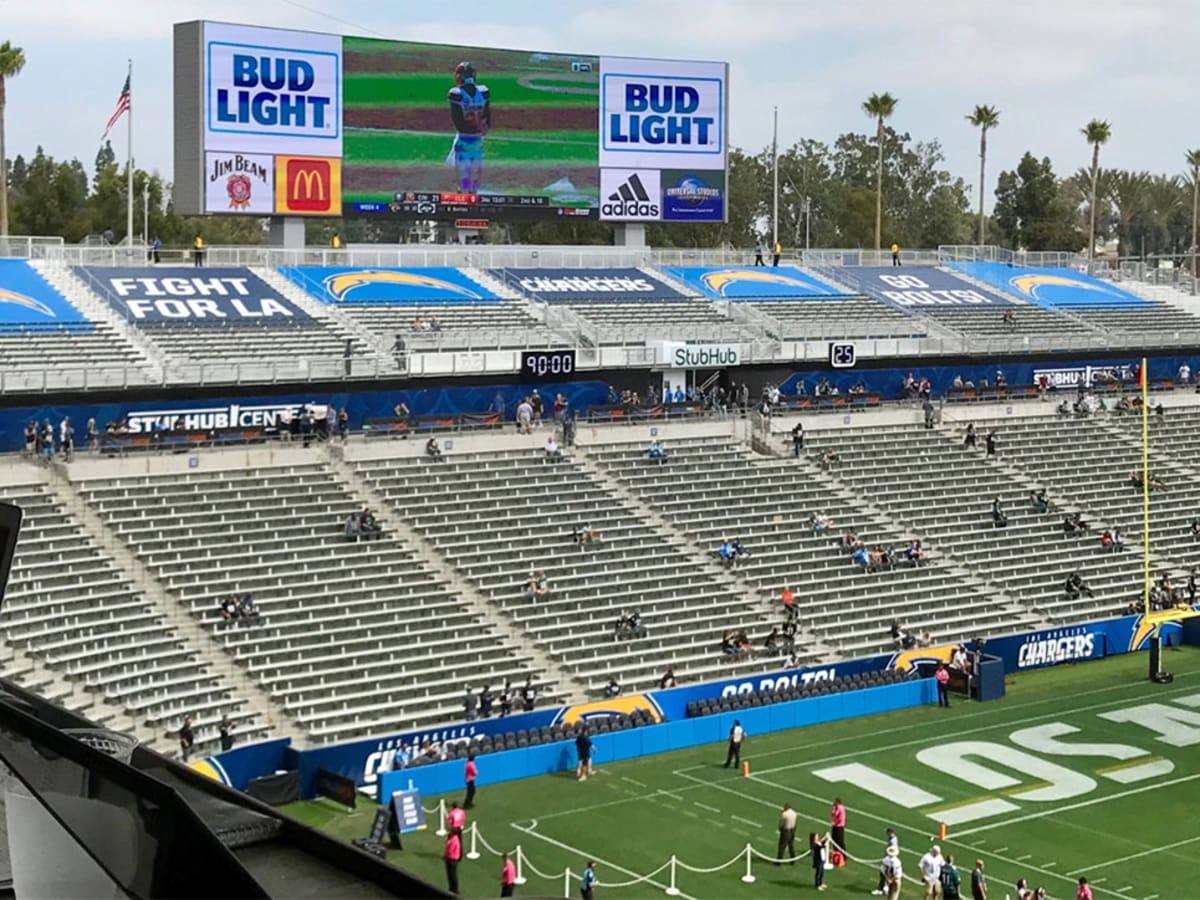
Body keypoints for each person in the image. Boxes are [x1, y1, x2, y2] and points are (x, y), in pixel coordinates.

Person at [447, 62, 490, 193]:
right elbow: (487, 115)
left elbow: (457, 120)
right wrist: (483, 128)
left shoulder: (456, 94)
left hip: (464, 140)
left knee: (464, 182)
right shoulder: (483, 92)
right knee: (475, 181)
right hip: (478, 141)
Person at [873, 828, 900, 895]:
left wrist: (886, 858)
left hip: (889, 860)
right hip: (889, 858)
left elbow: (891, 850)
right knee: (888, 874)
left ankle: (882, 888)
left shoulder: (893, 841)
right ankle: (886, 887)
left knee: (884, 873)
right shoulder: (893, 839)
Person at [444, 826, 463, 895]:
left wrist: (446, 855)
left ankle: (454, 889)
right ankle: (451, 888)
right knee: (450, 875)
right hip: (450, 859)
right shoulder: (453, 838)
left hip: (452, 860)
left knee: (452, 875)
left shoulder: (454, 840)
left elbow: (450, 850)